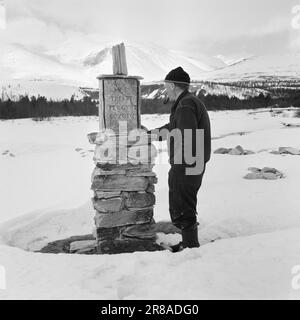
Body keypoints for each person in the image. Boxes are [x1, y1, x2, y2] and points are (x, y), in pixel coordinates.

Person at [148, 67, 211, 252]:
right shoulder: (187, 103)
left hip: (187, 163)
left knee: (183, 204)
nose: (165, 90)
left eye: (166, 86)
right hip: (192, 162)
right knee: (184, 202)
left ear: (173, 85)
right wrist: (149, 135)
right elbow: (173, 128)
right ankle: (189, 243)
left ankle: (190, 245)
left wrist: (179, 165)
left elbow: (186, 135)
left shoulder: (185, 105)